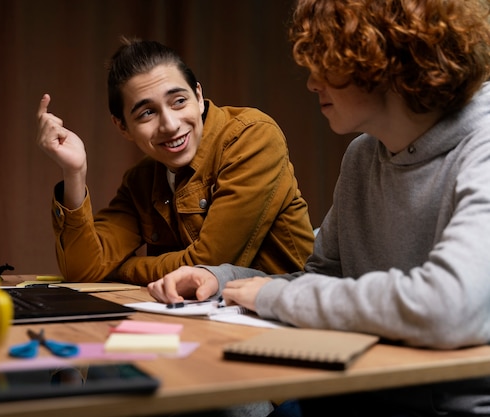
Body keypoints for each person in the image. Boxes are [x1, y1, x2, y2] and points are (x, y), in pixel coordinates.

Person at [148, 0, 490, 416]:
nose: (311, 83)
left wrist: (273, 296)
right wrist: (220, 280)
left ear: (387, 61)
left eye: (327, 62)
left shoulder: (483, 148)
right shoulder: (364, 156)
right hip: (352, 392)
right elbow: (321, 281)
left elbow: (447, 308)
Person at [36, 37, 314, 285]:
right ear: (122, 127)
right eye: (146, 113)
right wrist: (74, 173)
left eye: (179, 101)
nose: (169, 124)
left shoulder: (252, 137)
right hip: (201, 321)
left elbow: (208, 264)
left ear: (199, 96)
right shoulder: (142, 179)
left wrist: (121, 269)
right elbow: (83, 270)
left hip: (283, 320)